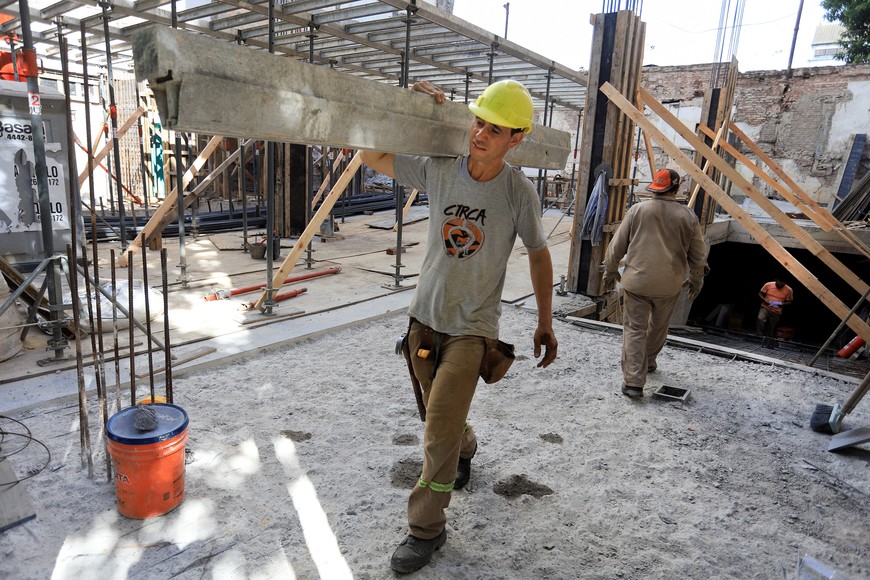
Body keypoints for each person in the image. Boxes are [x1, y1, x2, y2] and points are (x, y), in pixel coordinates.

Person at [361, 79, 558, 574]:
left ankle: (426, 529)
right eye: (478, 122)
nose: (480, 133)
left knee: (436, 432)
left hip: (472, 329)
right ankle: (466, 443)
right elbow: (370, 154)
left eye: (495, 129)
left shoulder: (518, 193)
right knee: (439, 416)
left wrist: (545, 320)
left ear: (517, 138)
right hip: (424, 321)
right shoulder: (440, 170)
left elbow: (539, 255)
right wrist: (417, 109)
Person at [603, 168, 708, 398]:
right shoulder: (688, 217)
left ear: (654, 188)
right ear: (676, 189)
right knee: (659, 327)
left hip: (637, 282)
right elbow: (698, 257)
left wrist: (610, 271)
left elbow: (616, 247)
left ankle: (633, 382)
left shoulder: (637, 211)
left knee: (634, 330)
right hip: (669, 285)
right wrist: (696, 279)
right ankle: (648, 362)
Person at [756, 278, 793, 346]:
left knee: (772, 325)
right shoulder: (768, 284)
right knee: (760, 318)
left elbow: (790, 301)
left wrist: (781, 304)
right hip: (766, 307)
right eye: (779, 282)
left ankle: (768, 337)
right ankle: (759, 335)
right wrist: (764, 300)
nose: (780, 284)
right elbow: (760, 293)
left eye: (783, 283)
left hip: (777, 310)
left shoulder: (789, 289)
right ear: (776, 280)